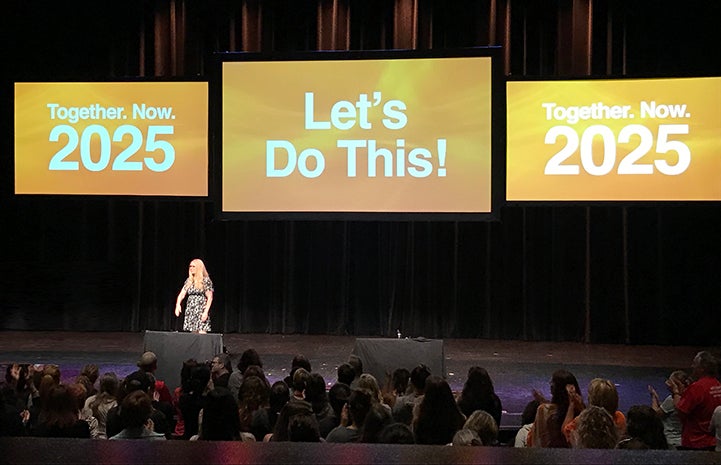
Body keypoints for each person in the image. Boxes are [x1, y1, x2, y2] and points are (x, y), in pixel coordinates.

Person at [669, 351, 721, 450]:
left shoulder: (697, 388)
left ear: (702, 368)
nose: (692, 367)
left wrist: (675, 392)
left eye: (694, 364)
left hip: (695, 442)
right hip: (713, 441)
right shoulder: (717, 384)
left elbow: (680, 411)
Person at [527, 369, 580, 448]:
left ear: (554, 388)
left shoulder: (544, 410)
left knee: (524, 430)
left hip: (548, 454)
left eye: (552, 383)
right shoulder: (579, 410)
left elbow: (564, 432)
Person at [649, 370, 688, 449]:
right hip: (682, 439)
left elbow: (655, 415)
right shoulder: (687, 397)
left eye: (669, 381)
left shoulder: (672, 400)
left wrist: (653, 397)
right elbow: (667, 409)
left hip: (670, 440)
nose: (666, 383)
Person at [174, 258, 214, 334]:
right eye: (190, 266)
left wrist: (206, 312)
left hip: (201, 309)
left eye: (193, 266)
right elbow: (182, 294)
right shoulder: (189, 281)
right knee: (193, 336)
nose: (191, 268)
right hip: (191, 309)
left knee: (202, 334)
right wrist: (178, 304)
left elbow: (210, 297)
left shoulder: (205, 281)